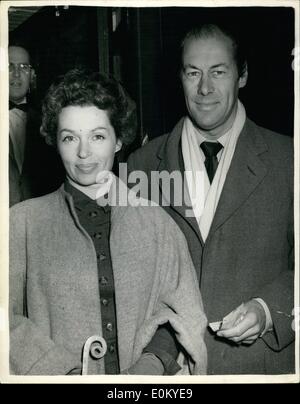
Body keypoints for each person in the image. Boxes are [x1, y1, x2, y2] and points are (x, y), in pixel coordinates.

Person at [9, 68, 207, 375]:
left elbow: (183, 313)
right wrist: (62, 372)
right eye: (69, 137)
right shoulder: (20, 224)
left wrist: (151, 365)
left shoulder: (157, 223)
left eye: (98, 136)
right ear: (54, 141)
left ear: (118, 141)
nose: (84, 152)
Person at [126, 24, 294, 374]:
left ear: (242, 75)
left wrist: (267, 309)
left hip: (260, 369)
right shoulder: (141, 165)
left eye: (218, 72)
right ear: (180, 78)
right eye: (193, 73)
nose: (204, 88)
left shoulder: (289, 159)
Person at [8, 43, 63, 207]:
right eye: (9, 66)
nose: (16, 73)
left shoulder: (48, 123)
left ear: (32, 75)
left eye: (23, 67)